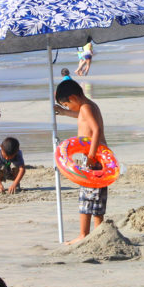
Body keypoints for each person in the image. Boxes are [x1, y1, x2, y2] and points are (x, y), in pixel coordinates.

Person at [55, 78, 109, 244]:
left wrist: (91, 156)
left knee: (87, 199)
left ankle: (83, 234)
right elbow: (82, 117)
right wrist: (65, 113)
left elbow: (96, 129)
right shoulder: (88, 106)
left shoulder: (86, 108)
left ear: (73, 98)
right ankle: (98, 233)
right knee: (97, 200)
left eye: (66, 105)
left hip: (94, 158)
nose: (67, 108)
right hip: (100, 159)